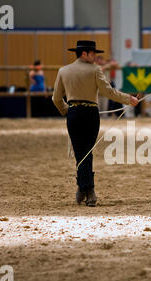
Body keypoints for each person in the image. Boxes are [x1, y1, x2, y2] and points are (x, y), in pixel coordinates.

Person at [52, 40, 139, 206]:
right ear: (84, 53)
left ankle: (82, 188)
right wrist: (129, 99)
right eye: (93, 53)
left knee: (80, 152)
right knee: (87, 151)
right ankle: (89, 189)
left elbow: (56, 98)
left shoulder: (63, 71)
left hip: (74, 114)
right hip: (91, 114)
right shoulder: (95, 70)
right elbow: (108, 92)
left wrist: (66, 110)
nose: (95, 57)